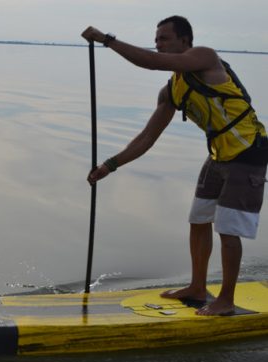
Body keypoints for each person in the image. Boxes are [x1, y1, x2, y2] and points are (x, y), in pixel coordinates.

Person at [81, 16, 268, 315]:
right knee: (198, 219)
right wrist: (110, 165)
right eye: (156, 39)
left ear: (185, 41)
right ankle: (197, 286)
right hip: (219, 155)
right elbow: (147, 137)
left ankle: (226, 300)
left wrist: (107, 40)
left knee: (228, 229)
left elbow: (153, 62)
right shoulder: (171, 92)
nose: (159, 44)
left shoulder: (206, 57)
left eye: (165, 39)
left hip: (248, 152)